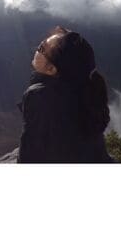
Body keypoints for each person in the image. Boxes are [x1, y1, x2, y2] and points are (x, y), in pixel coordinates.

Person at [18, 25, 112, 163]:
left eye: (41, 48)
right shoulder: (85, 89)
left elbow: (30, 153)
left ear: (51, 69)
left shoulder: (40, 96)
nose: (36, 49)